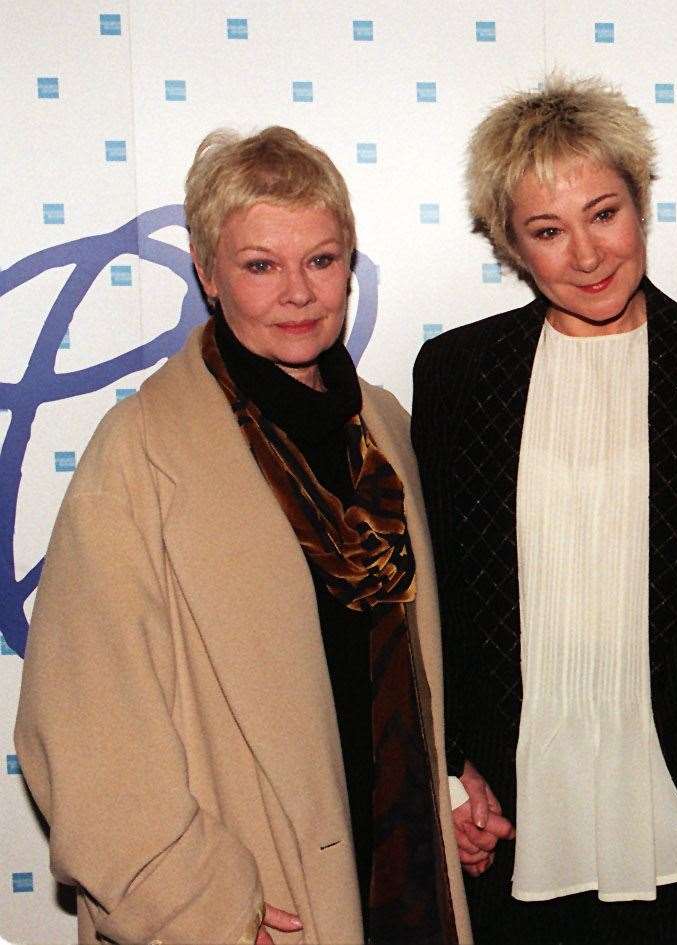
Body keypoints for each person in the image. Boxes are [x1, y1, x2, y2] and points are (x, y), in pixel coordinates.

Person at [410, 75, 677, 945]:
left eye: (603, 213)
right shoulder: (456, 376)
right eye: (547, 230)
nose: (586, 253)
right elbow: (435, 595)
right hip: (512, 821)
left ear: (640, 203)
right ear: (512, 246)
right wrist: (450, 769)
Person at [14, 127, 469, 944]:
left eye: (321, 260)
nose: (298, 292)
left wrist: (451, 789)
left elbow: (404, 671)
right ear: (206, 272)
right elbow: (81, 730)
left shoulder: (384, 432)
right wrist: (197, 908)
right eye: (261, 264)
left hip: (398, 875)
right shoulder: (141, 454)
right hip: (252, 900)